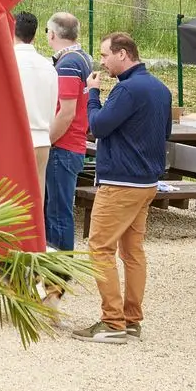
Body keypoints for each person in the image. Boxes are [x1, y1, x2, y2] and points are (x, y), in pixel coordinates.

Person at [76, 32, 172, 344]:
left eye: (104, 56)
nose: (102, 63)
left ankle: (112, 322)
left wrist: (92, 94)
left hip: (120, 182)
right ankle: (131, 319)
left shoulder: (127, 90)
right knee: (132, 252)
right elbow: (165, 131)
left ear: (122, 54)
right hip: (146, 182)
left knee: (100, 247)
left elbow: (98, 126)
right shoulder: (160, 89)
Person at [43, 11, 91, 252]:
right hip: (74, 143)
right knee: (58, 207)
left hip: (63, 145)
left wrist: (47, 140)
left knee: (57, 211)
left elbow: (66, 111)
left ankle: (58, 268)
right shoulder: (82, 58)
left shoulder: (68, 64)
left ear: (52, 34)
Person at [13, 11, 60, 194]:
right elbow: (52, 107)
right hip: (42, 139)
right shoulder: (48, 66)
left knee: (10, 201)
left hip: (15, 139)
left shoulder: (7, 61)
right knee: (35, 198)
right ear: (34, 35)